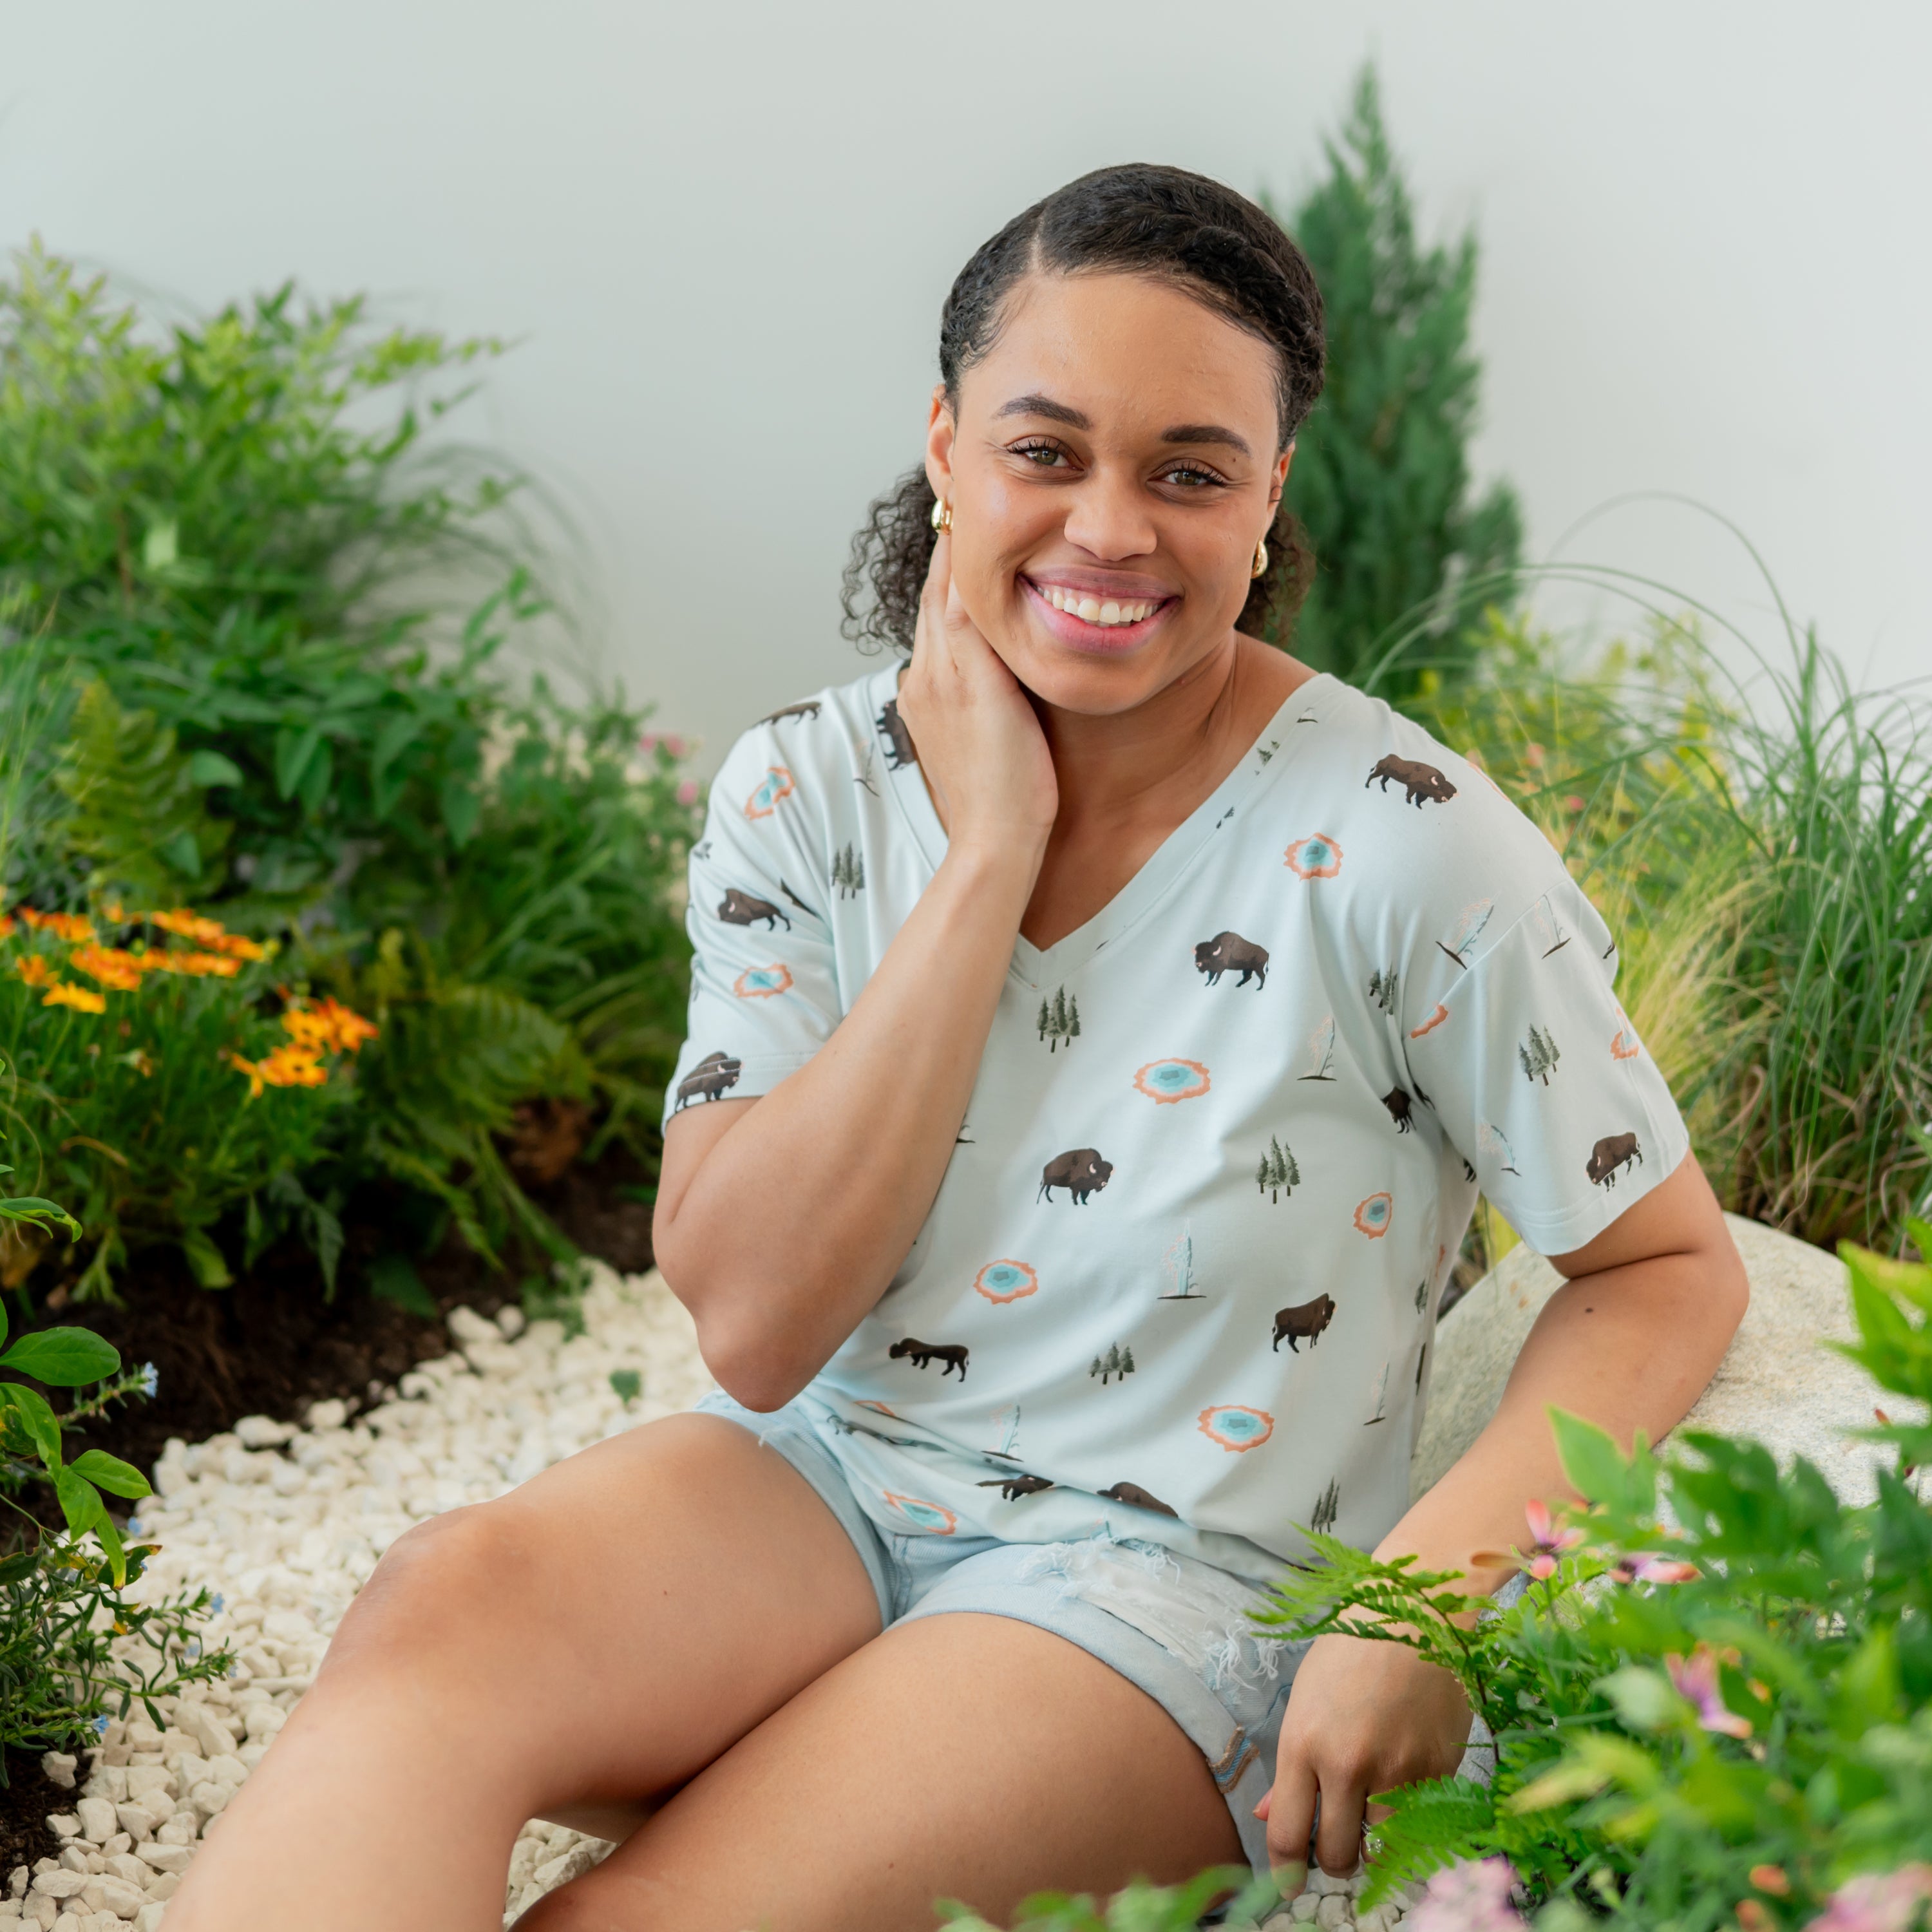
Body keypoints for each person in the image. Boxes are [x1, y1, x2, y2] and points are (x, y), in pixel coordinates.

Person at [170, 164, 1747, 1932]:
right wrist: (984, 857)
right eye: (1045, 449)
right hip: (828, 1482)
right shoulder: (805, 792)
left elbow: (1665, 1267)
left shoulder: (1409, 847)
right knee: (433, 1620)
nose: (1112, 529)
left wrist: (1424, 1603)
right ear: (943, 446)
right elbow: (759, 1331)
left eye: (1190, 471)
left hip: (1171, 1577)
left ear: (1270, 495)